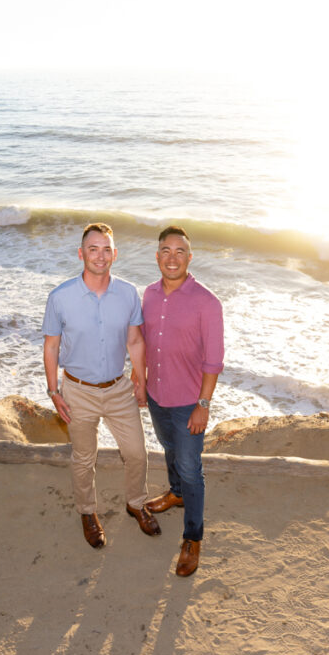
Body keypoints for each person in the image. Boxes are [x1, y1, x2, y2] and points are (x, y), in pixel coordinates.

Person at [43, 222, 161, 549]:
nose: (100, 255)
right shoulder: (60, 297)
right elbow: (51, 346)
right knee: (84, 458)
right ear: (81, 254)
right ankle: (87, 512)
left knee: (137, 452)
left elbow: (135, 341)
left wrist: (141, 380)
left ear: (115, 254)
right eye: (93, 249)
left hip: (119, 389)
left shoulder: (127, 294)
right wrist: (54, 391)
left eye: (106, 249)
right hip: (77, 391)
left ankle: (136, 502)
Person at [141, 225, 224, 577]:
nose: (171, 257)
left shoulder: (207, 302)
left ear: (189, 258)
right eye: (165, 250)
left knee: (192, 469)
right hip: (156, 394)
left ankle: (193, 538)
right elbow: (141, 342)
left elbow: (214, 361)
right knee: (168, 447)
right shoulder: (147, 294)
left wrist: (202, 406)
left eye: (179, 251)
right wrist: (138, 379)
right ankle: (175, 493)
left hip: (189, 402)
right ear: (157, 255)